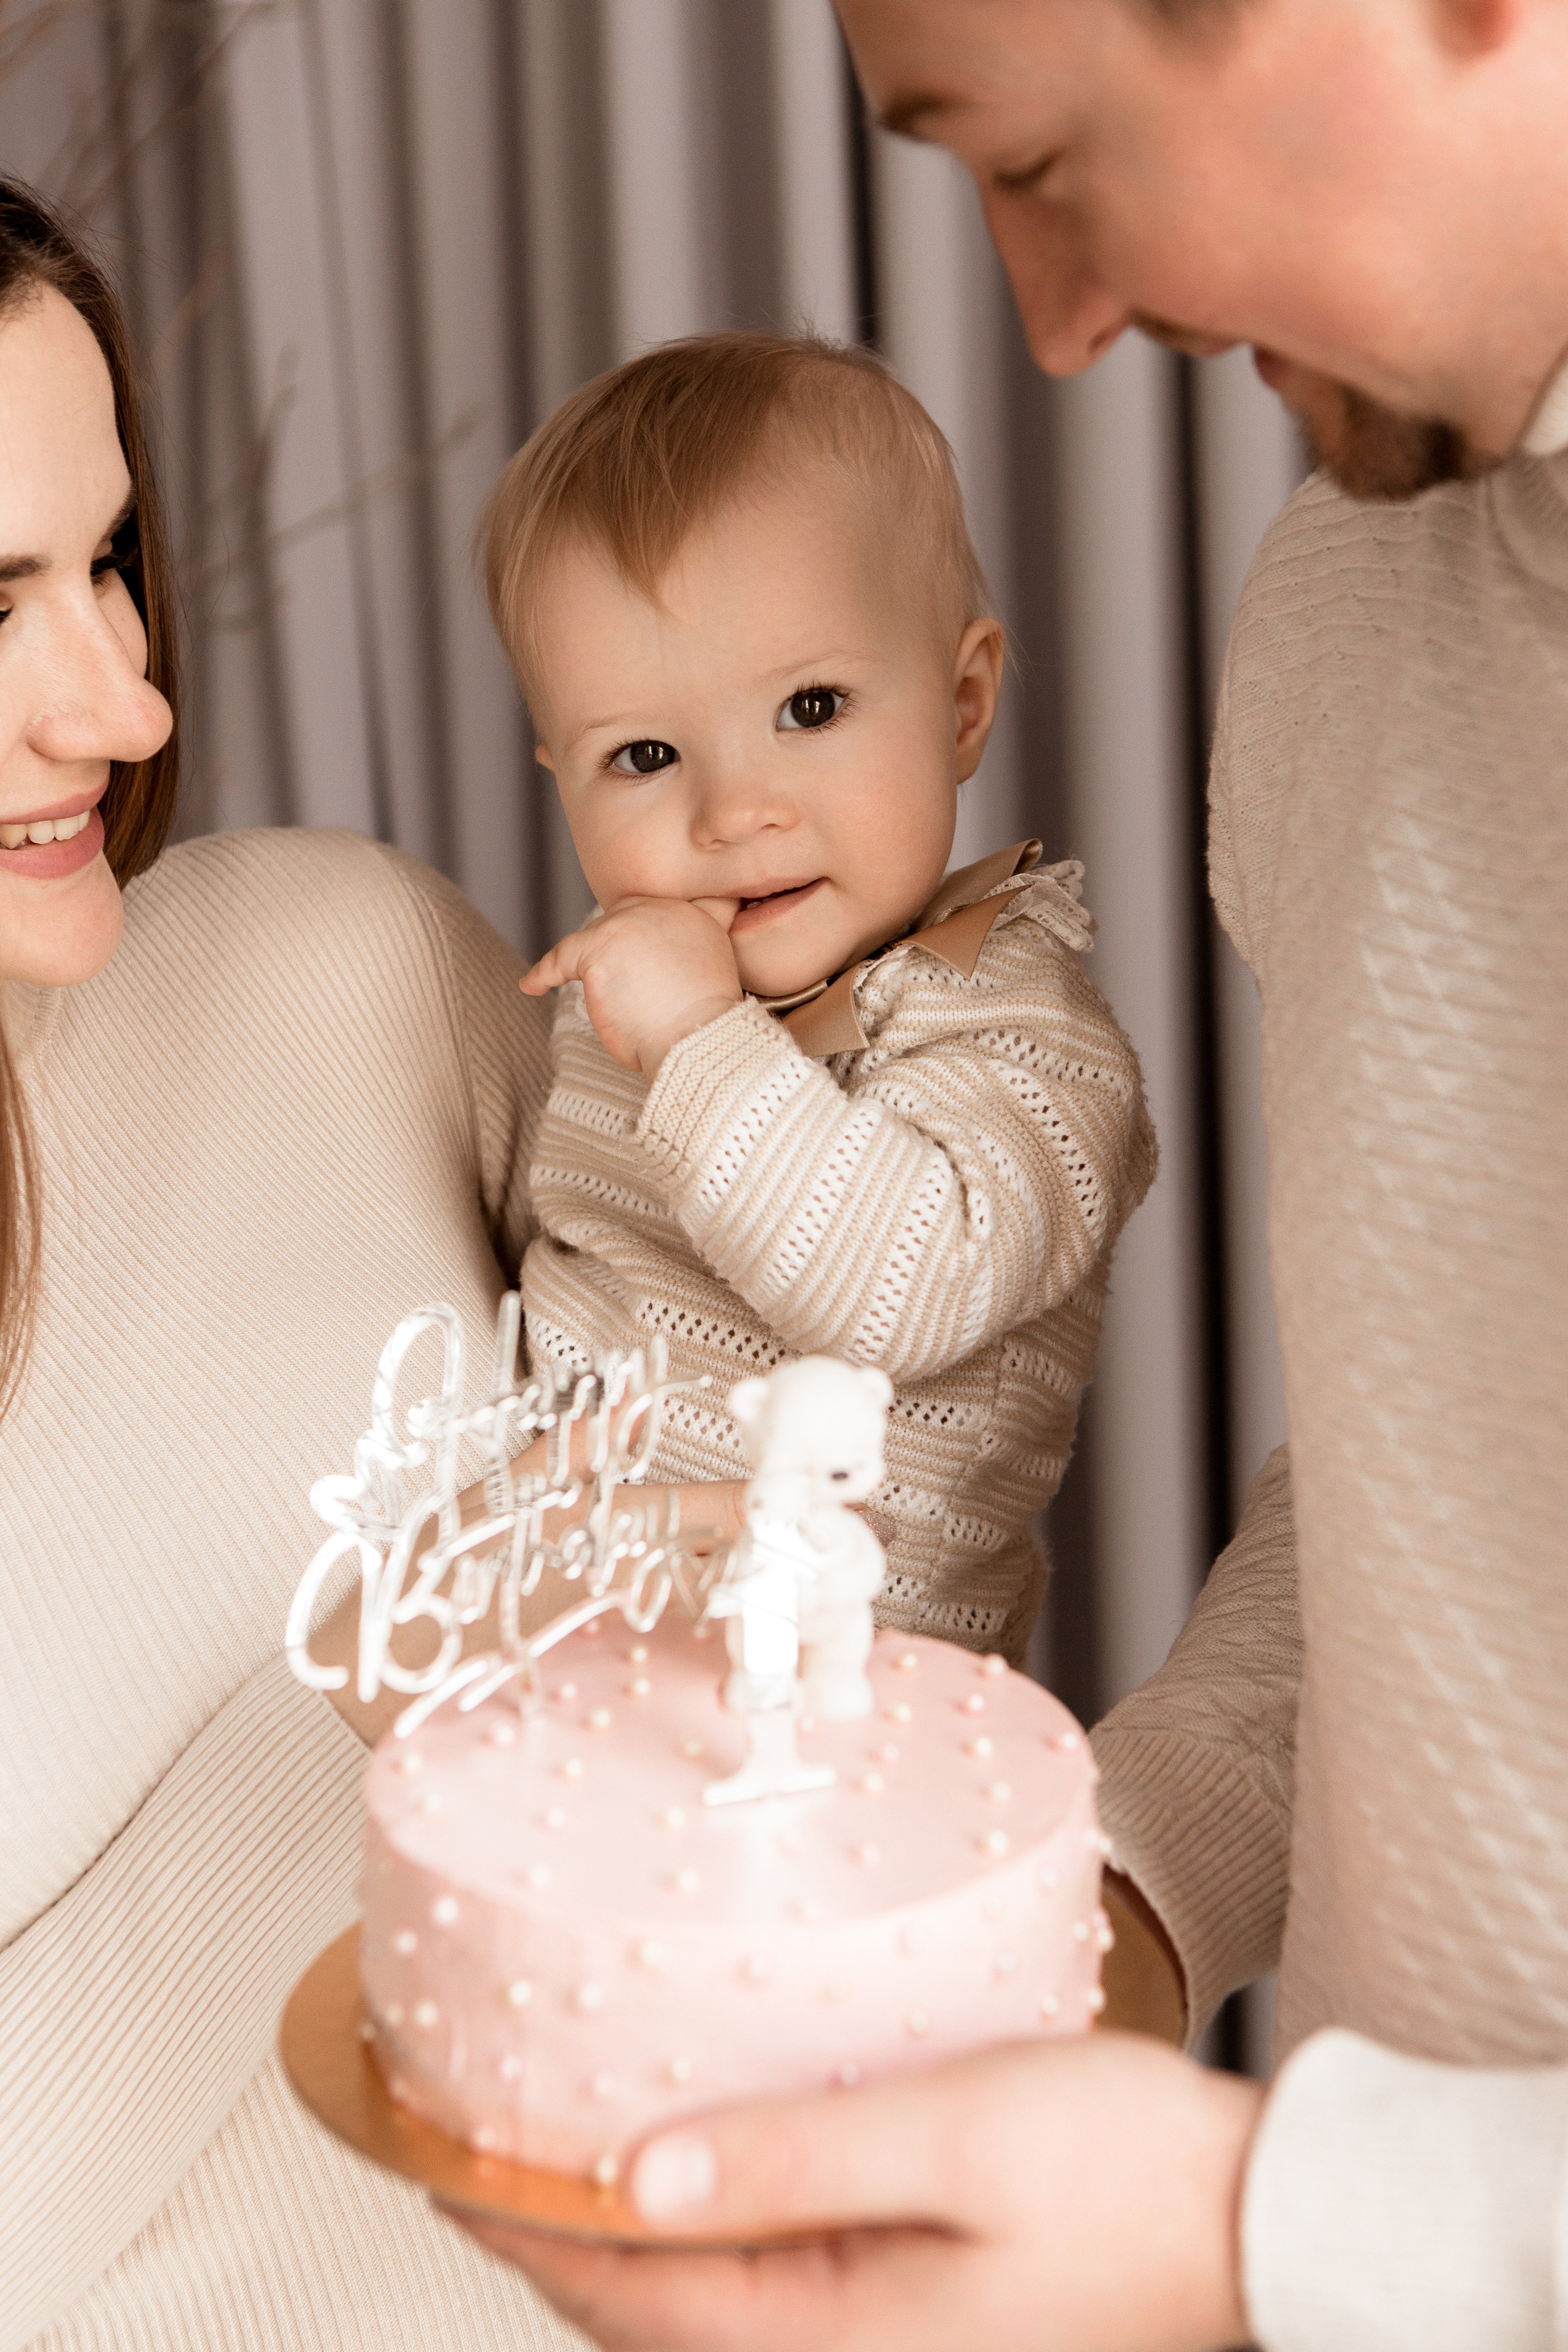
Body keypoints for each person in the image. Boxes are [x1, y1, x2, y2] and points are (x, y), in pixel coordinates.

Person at [458, 3, 1568, 2347]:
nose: (1054, 320)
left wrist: (1299, 2232)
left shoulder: (992, 1043)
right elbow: (1428, 1510)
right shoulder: (1349, 614)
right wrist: (1124, 1915)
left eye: (1041, 159)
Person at [0, 178, 733, 2352]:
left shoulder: (350, 965)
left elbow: (793, 1442)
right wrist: (356, 1720)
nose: (123, 707)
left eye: (110, 563)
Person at [480, 330, 1155, 1664]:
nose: (735, 811)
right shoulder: (638, 982)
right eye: (647, 754)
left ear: (961, 705)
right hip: (560, 1622)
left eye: (810, 707)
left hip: (844, 1694)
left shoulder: (1025, 1035)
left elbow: (900, 1296)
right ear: (562, 778)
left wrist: (695, 1040)